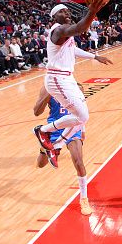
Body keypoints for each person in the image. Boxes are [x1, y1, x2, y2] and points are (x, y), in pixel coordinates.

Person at [33, 0, 112, 167]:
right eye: (62, 12)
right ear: (55, 18)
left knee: (81, 118)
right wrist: (92, 11)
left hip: (67, 77)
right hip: (57, 77)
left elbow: (73, 49)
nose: (67, 13)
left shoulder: (64, 35)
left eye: (68, 11)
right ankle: (43, 131)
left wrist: (95, 56)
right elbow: (80, 28)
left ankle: (56, 146)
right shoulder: (58, 30)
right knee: (82, 116)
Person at [34, 84, 92, 216]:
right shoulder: (46, 88)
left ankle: (84, 199)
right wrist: (47, 95)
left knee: (79, 161)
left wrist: (83, 129)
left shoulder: (77, 87)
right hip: (54, 128)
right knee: (41, 164)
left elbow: (82, 110)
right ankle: (43, 149)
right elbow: (36, 112)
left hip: (72, 127)